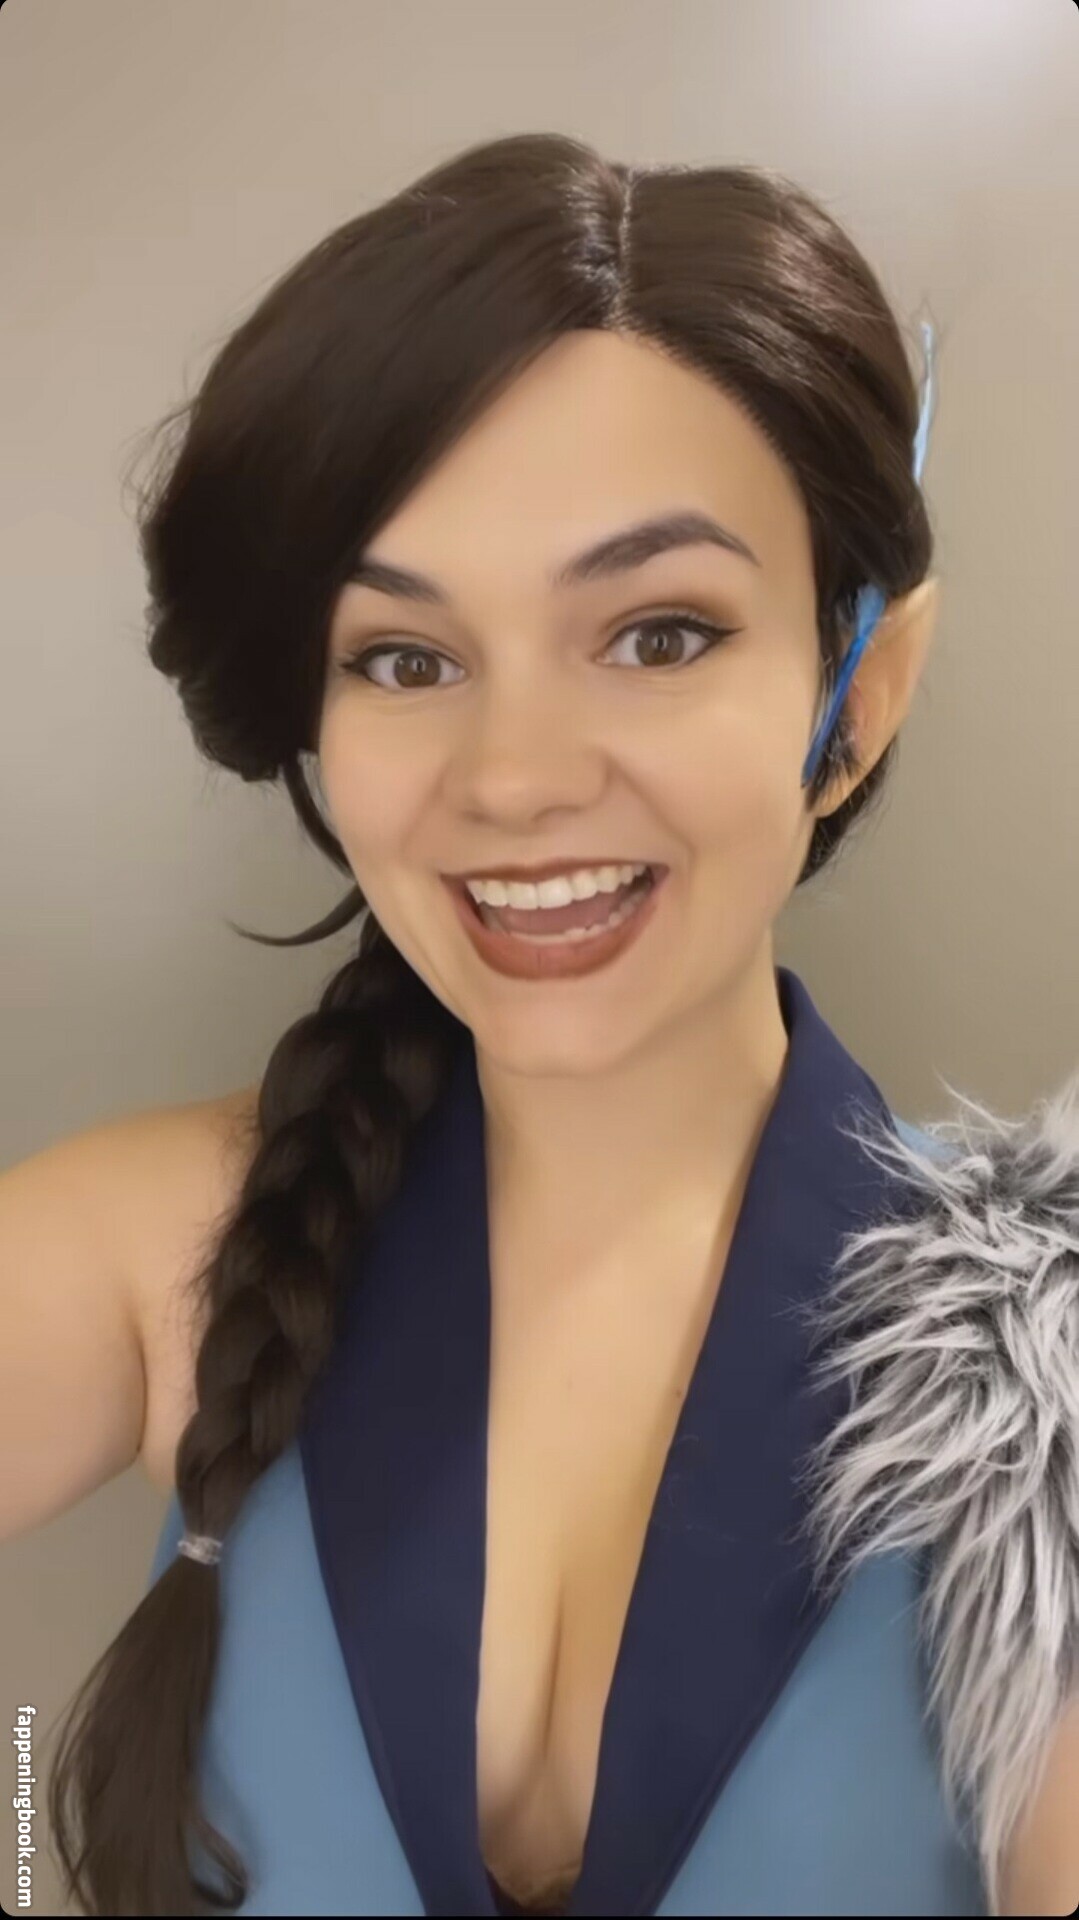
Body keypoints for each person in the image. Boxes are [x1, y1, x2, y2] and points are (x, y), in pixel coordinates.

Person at [4, 136, 1075, 1916]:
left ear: (859, 693)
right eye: (406, 659)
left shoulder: (1041, 1391)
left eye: (657, 634)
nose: (512, 779)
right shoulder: (156, 1247)